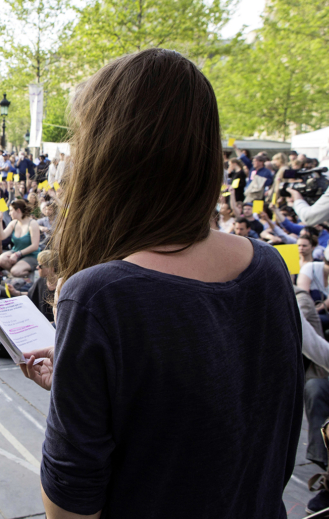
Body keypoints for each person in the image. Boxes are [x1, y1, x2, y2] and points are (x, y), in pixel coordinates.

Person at [19, 48, 301, 518]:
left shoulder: (98, 297)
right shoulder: (269, 265)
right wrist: (87, 385)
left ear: (105, 156)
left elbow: (69, 508)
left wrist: (80, 393)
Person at [0, 199, 40, 277]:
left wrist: (17, 254)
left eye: (11, 211)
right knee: (2, 259)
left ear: (18, 210)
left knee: (15, 271)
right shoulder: (14, 223)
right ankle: (15, 273)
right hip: (16, 252)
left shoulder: (33, 224)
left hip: (31, 255)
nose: (9, 213)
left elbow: (35, 246)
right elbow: (1, 237)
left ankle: (27, 276)